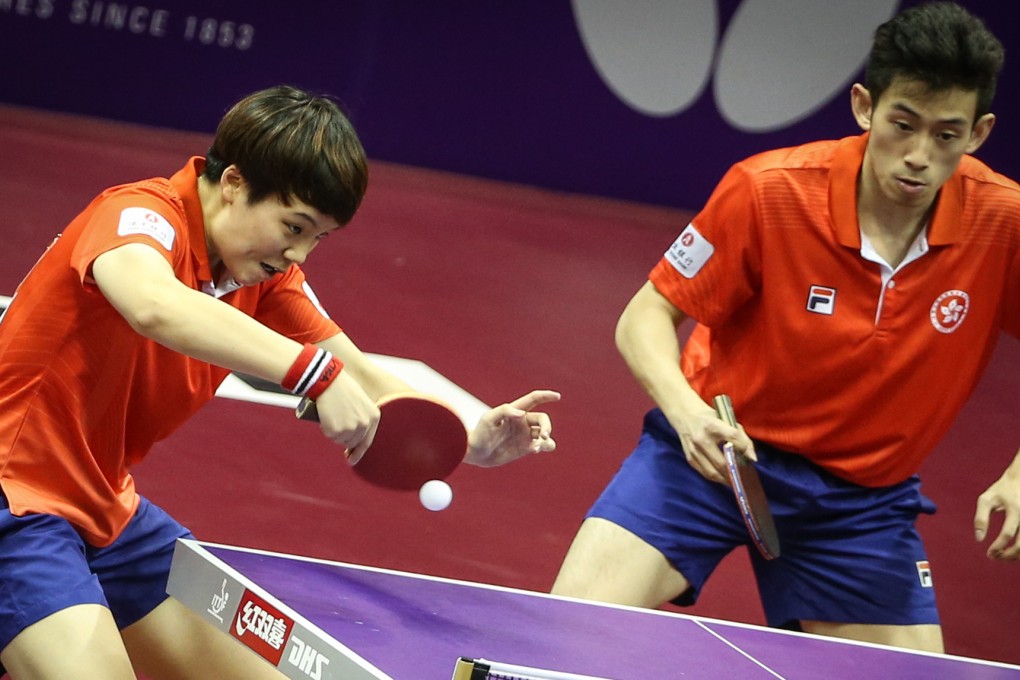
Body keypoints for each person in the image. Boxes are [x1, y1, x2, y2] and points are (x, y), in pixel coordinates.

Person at [0, 85, 560, 679]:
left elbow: (364, 375)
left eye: (318, 237)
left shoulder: (260, 278)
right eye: (293, 226)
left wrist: (464, 441)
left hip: (106, 509)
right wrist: (313, 375)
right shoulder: (139, 216)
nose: (300, 255)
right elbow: (154, 304)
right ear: (235, 183)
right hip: (16, 501)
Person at [552, 1, 1020, 654]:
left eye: (946, 135)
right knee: (555, 641)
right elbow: (644, 317)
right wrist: (687, 418)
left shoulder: (1003, 222)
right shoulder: (768, 191)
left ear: (979, 132)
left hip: (862, 507)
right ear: (864, 106)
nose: (918, 156)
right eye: (902, 124)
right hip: (714, 460)